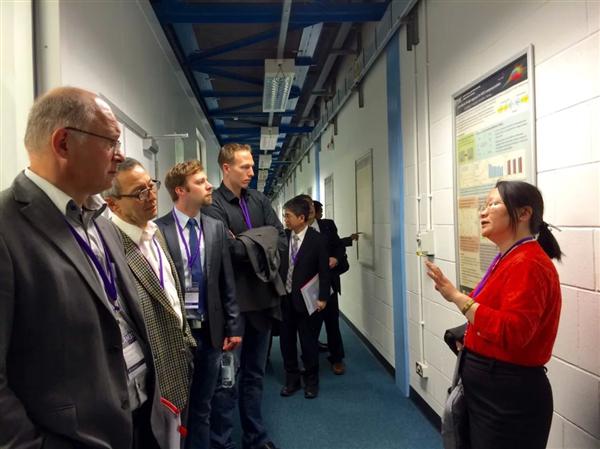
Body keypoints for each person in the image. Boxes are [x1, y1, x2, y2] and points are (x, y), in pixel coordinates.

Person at [0, 87, 161, 448]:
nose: (120, 155)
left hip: (138, 418)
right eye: (111, 142)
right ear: (63, 144)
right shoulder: (6, 228)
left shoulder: (100, 218)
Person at [425, 180, 562, 449]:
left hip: (508, 396)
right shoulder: (507, 257)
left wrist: (456, 296)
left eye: (494, 204)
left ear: (524, 213)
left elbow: (513, 332)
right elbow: (492, 316)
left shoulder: (528, 263)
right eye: (484, 205)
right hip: (488, 387)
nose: (483, 212)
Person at [104, 158, 197, 447]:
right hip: (147, 383)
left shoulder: (154, 232)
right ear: (113, 204)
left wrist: (187, 340)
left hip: (178, 362)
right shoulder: (110, 249)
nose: (151, 196)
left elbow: (171, 295)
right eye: (139, 193)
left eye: (151, 186)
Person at [204, 143, 286, 449]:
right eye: (245, 167)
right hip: (233, 311)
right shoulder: (213, 205)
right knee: (227, 380)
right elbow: (225, 250)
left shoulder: (259, 200)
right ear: (226, 168)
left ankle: (255, 438)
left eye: (252, 166)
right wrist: (262, 243)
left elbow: (279, 238)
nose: (252, 172)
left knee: (254, 376)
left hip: (263, 304)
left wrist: (247, 242)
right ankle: (222, 442)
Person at [155, 160, 241, 449]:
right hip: (176, 335)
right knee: (176, 408)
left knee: (203, 405)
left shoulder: (216, 228)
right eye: (201, 181)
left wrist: (233, 326)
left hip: (210, 331)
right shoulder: (158, 230)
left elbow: (226, 280)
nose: (210, 185)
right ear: (181, 190)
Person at [279, 196, 330, 399]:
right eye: (284, 216)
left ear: (301, 218)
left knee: (308, 344)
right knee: (286, 343)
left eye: (288, 216)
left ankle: (311, 382)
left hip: (307, 301)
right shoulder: (283, 237)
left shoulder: (317, 240)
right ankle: (292, 380)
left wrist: (323, 298)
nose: (285, 220)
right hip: (285, 300)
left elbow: (324, 271)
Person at [300, 196, 348, 375]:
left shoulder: (327, 225)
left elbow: (339, 247)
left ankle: (337, 358)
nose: (311, 208)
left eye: (312, 205)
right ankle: (308, 360)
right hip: (307, 286)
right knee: (309, 327)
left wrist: (336, 258)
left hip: (328, 284)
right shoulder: (298, 229)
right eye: (307, 206)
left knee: (332, 322)